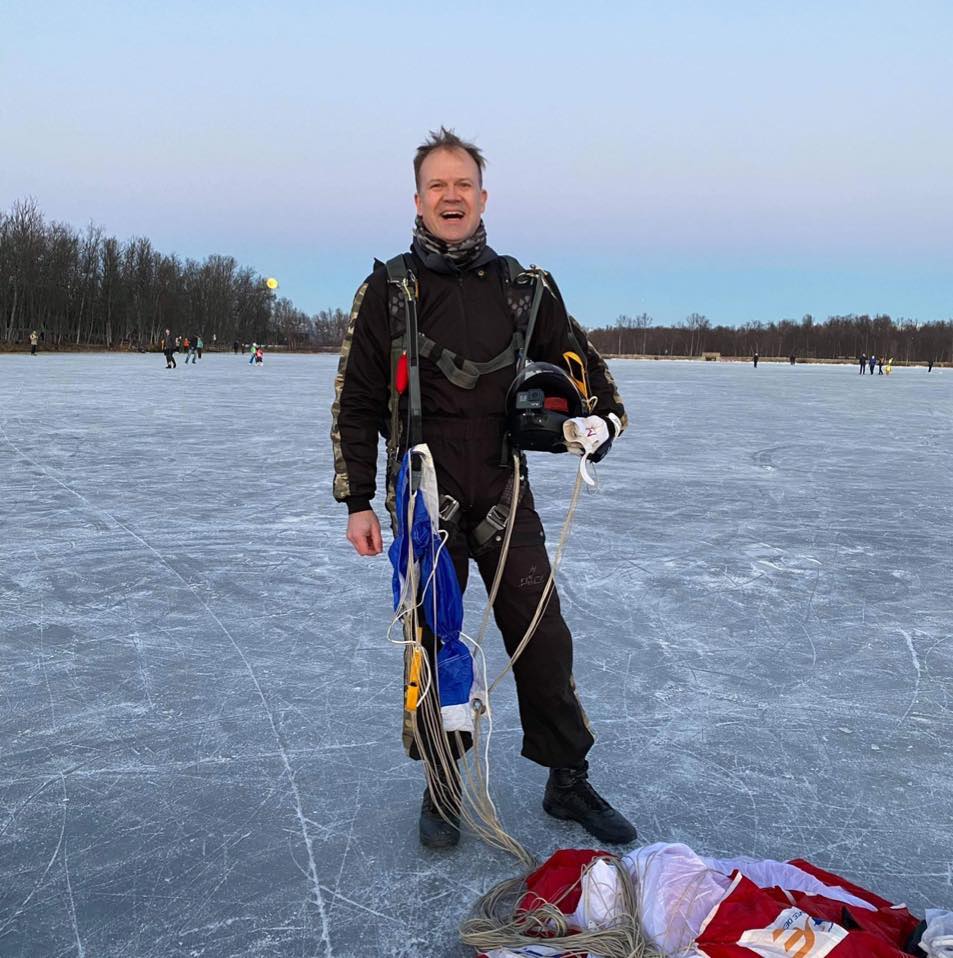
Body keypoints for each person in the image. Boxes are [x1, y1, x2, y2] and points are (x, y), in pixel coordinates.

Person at [331, 128, 636, 850]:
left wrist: (601, 424)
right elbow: (356, 400)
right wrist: (356, 500)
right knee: (435, 645)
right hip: (424, 493)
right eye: (436, 185)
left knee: (542, 636)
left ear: (482, 196)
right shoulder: (388, 292)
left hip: (503, 484)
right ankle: (442, 782)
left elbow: (583, 371)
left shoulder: (522, 289)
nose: (450, 196)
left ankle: (567, 778)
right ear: (416, 199)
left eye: (461, 184)